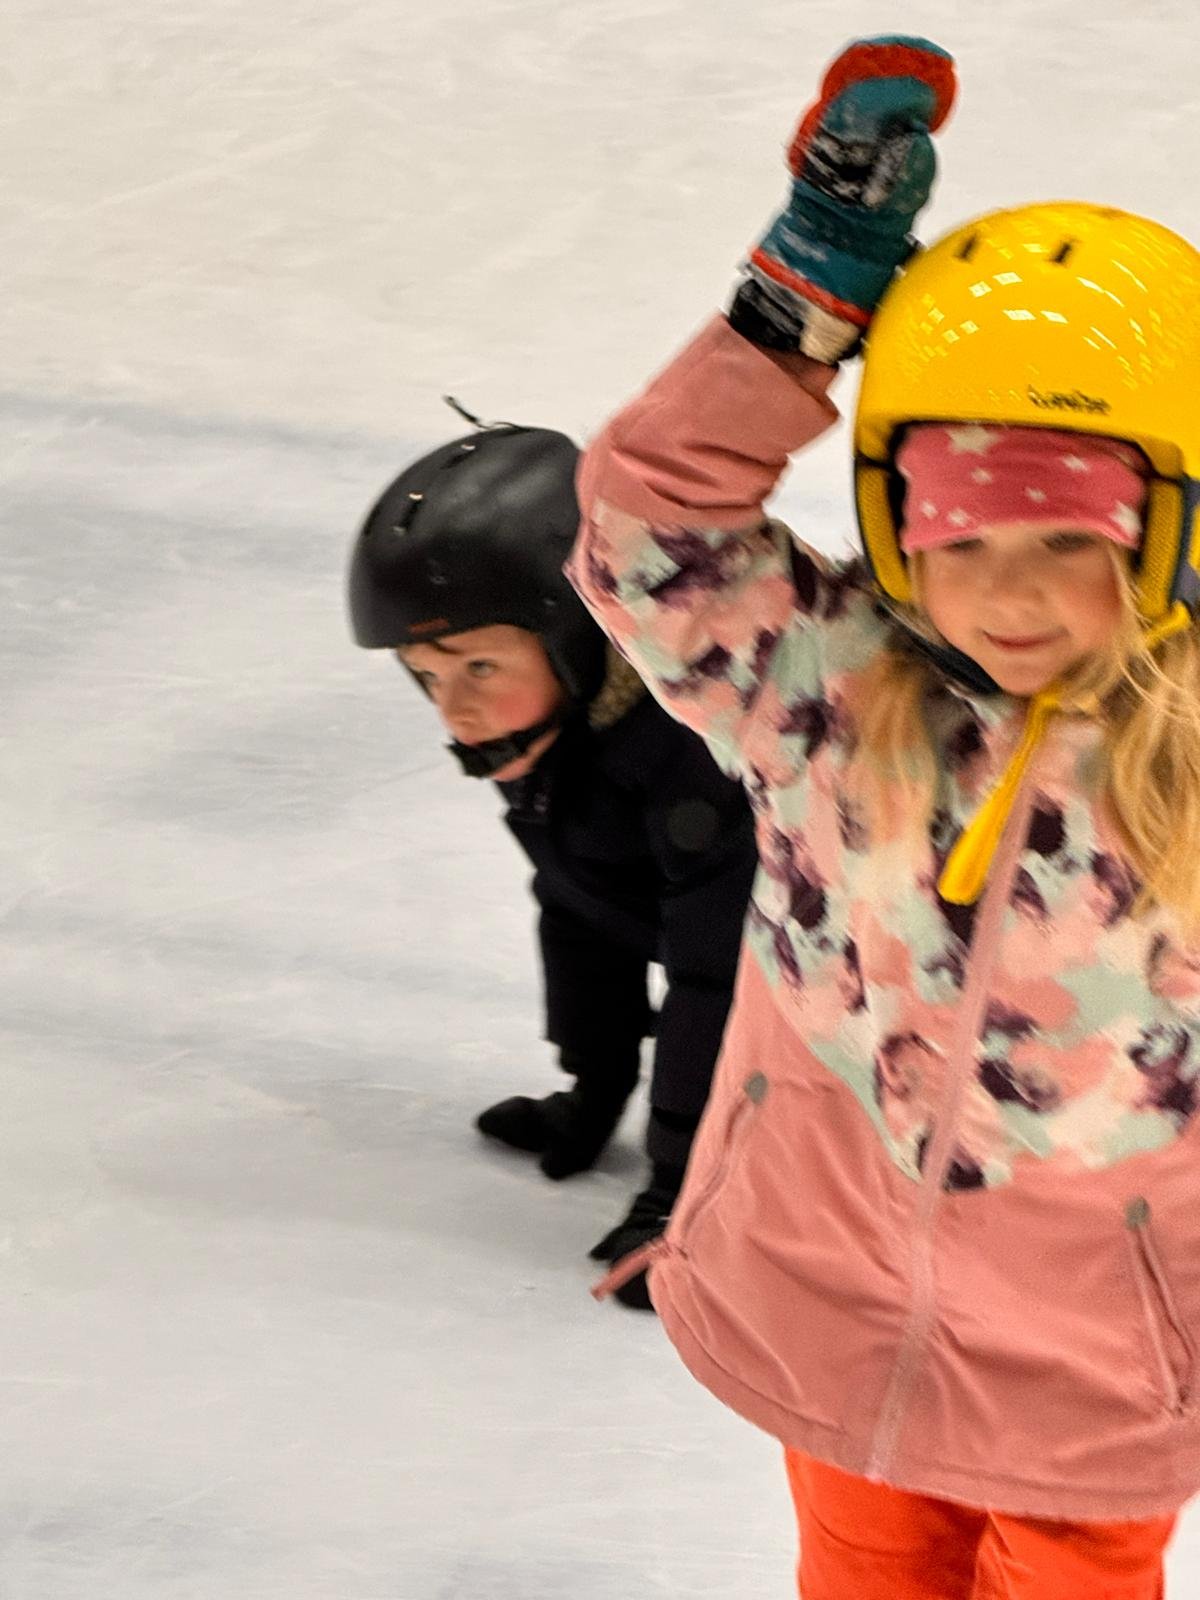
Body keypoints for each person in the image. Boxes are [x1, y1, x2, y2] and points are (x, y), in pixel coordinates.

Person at [573, 32, 1200, 1597]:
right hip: (841, 1301)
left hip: (1098, 1363)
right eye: (963, 545)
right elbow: (648, 533)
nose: (1010, 595)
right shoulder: (829, 688)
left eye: (1070, 546)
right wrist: (800, 306)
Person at [347, 421, 756, 1309]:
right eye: (427, 676)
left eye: (479, 666)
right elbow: (582, 903)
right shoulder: (556, 732)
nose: (454, 711)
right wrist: (596, 1084)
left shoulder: (699, 757)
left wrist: (679, 1186)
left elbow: (721, 980)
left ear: (577, 633)